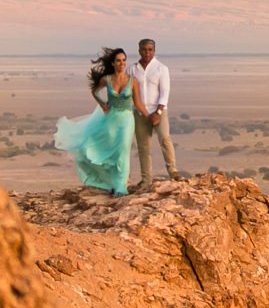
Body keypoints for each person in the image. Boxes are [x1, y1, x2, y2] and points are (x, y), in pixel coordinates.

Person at [54, 46, 141, 196]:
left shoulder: (133, 81)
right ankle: (111, 182)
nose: (122, 63)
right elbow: (94, 91)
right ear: (113, 63)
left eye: (124, 60)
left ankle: (121, 187)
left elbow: (138, 103)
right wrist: (102, 104)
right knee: (108, 152)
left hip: (127, 119)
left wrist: (152, 115)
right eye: (118, 61)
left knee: (123, 150)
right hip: (111, 118)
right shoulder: (106, 80)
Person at [127, 37, 177, 193]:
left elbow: (165, 92)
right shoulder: (132, 69)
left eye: (150, 49)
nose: (147, 52)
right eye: (144, 49)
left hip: (158, 111)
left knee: (165, 139)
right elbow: (127, 90)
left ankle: (173, 171)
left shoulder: (161, 68)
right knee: (143, 146)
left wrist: (158, 112)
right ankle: (146, 179)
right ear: (139, 50)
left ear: (154, 51)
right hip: (140, 113)